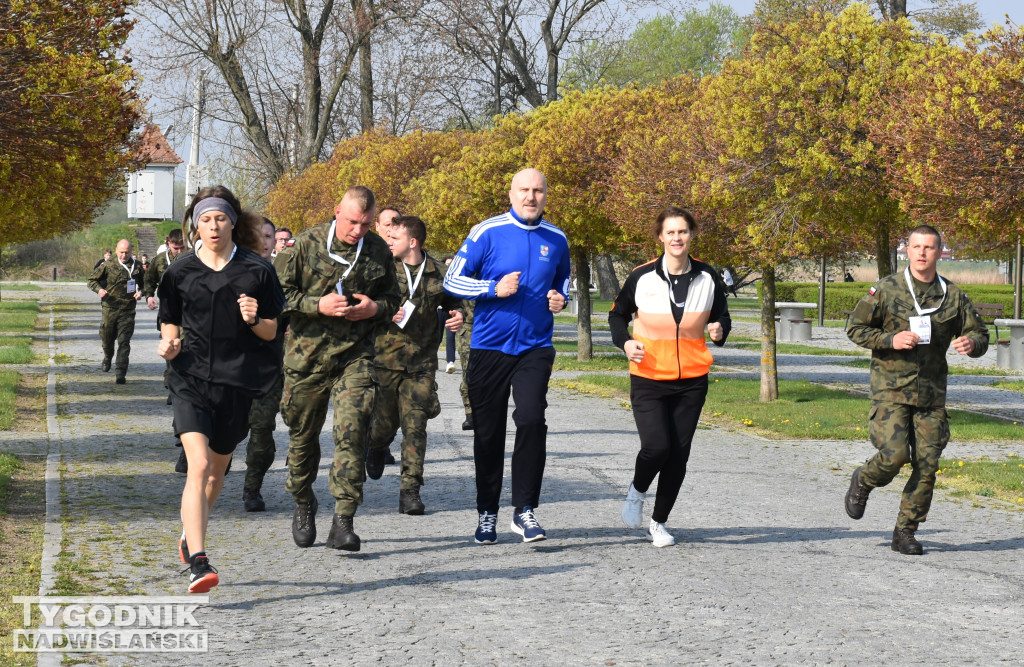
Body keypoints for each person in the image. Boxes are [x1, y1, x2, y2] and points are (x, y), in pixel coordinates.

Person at [158, 186, 284, 593]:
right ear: (196, 225)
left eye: (221, 218)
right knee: (197, 466)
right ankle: (199, 560)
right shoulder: (179, 271)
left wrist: (253, 319)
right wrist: (169, 342)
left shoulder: (257, 270)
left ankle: (188, 534)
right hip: (189, 377)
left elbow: (272, 330)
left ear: (233, 222)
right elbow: (169, 318)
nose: (213, 226)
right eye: (205, 219)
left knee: (216, 472)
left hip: (237, 380)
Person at [443, 168, 571, 544]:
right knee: (489, 433)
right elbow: (453, 280)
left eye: (538, 191)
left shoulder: (557, 238)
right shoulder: (487, 231)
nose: (531, 197)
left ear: (547, 195)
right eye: (524, 190)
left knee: (531, 419)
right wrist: (491, 288)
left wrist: (560, 298)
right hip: (488, 347)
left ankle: (525, 510)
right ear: (511, 194)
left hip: (534, 347)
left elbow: (562, 280)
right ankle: (487, 513)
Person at [844, 225, 989, 555]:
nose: (922, 252)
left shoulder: (952, 296)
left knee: (927, 466)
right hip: (890, 390)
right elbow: (854, 327)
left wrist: (972, 343)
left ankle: (905, 531)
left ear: (940, 252)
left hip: (931, 395)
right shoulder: (885, 289)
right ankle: (864, 480)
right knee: (895, 456)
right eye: (917, 246)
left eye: (930, 247)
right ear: (906, 251)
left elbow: (980, 334)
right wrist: (889, 340)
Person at [275, 186, 400, 552]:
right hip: (306, 359)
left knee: (353, 431)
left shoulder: (377, 250)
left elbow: (394, 300)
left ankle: (344, 519)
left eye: (364, 223)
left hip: (354, 358)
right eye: (351, 222)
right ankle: (303, 501)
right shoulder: (304, 245)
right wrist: (317, 305)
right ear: (336, 212)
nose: (357, 230)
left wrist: (374, 309)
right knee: (302, 439)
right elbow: (276, 295)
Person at [609, 207, 731, 547]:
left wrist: (720, 330)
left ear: (692, 235)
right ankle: (636, 492)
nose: (677, 238)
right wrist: (626, 342)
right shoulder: (642, 276)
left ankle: (659, 522)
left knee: (678, 453)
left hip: (692, 379)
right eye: (671, 232)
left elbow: (722, 315)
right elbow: (617, 315)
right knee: (656, 446)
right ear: (661, 237)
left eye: (683, 232)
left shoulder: (708, 277)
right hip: (648, 375)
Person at [365, 216, 464, 514]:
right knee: (382, 424)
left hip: (421, 363)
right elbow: (363, 305)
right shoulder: (380, 271)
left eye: (393, 238)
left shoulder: (439, 272)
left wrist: (457, 313)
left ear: (412, 242)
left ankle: (410, 490)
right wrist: (381, 311)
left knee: (415, 426)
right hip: (385, 361)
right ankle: (377, 446)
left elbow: (455, 301)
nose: (388, 242)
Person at [241, 217, 289, 512]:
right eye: (258, 236)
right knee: (224, 429)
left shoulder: (287, 273)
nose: (264, 241)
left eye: (269, 235)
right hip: (232, 364)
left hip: (271, 365)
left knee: (261, 429)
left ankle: (252, 488)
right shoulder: (232, 271)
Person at [88, 239, 144, 384]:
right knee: (107, 339)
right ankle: (107, 357)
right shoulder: (107, 265)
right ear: (116, 250)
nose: (124, 255)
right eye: (121, 252)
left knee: (124, 342)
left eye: (127, 252)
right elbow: (91, 281)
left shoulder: (137, 266)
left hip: (128, 310)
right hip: (110, 308)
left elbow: (146, 284)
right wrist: (99, 290)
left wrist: (141, 293)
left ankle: (120, 372)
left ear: (131, 252)